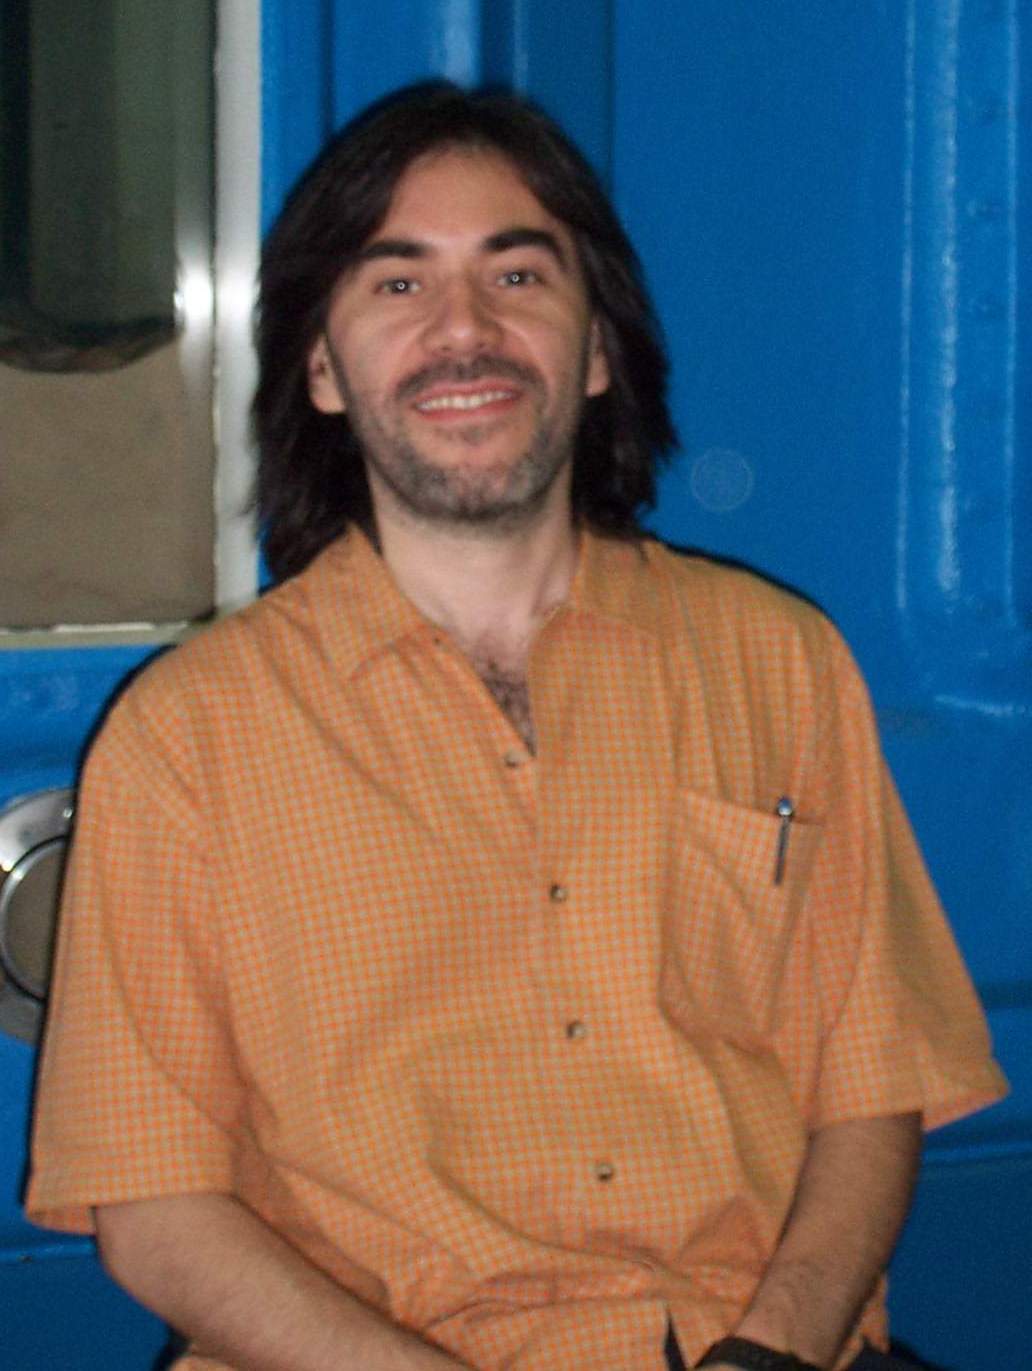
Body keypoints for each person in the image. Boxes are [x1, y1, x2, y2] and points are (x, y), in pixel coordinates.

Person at [27, 83, 1006, 1371]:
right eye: (398, 284)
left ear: (596, 351)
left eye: (519, 275)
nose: (464, 330)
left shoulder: (779, 662)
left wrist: (771, 1352)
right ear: (320, 370)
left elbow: (876, 1081)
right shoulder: (186, 741)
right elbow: (153, 1210)